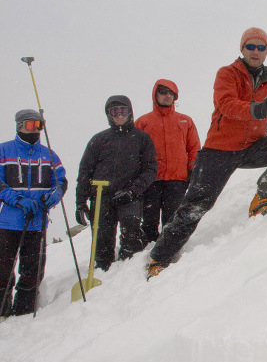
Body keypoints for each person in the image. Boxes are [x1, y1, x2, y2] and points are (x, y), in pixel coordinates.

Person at [147, 27, 267, 278]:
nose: (255, 51)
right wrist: (258, 109)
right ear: (242, 49)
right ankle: (159, 258)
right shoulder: (227, 73)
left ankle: (264, 197)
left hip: (252, 146)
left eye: (261, 47)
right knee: (197, 205)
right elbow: (226, 104)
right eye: (250, 46)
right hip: (218, 150)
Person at [75, 96, 158, 270]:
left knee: (131, 229)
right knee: (102, 236)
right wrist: (81, 202)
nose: (119, 115)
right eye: (114, 112)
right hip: (101, 195)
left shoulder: (141, 139)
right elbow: (85, 171)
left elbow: (150, 169)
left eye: (123, 111)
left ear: (130, 113)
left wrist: (133, 190)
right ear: (108, 114)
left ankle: (128, 269)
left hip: (130, 195)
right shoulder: (99, 140)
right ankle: (103, 271)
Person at [0, 109, 67, 317]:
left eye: (39, 125)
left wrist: (52, 197)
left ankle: (24, 312)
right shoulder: (4, 151)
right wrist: (18, 200)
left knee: (32, 270)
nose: (35, 130)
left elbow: (61, 181)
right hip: (9, 222)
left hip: (37, 222)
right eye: (31, 125)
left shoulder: (48, 155)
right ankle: (2, 310)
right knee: (2, 270)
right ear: (19, 125)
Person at [134, 79, 201, 245]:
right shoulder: (143, 122)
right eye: (163, 92)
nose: (167, 96)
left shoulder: (185, 121)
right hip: (151, 180)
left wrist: (193, 168)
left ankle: (169, 251)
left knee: (172, 220)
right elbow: (134, 151)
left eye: (171, 93)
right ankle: (147, 252)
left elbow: (194, 147)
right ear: (155, 95)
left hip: (177, 180)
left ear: (175, 97)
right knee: (149, 220)